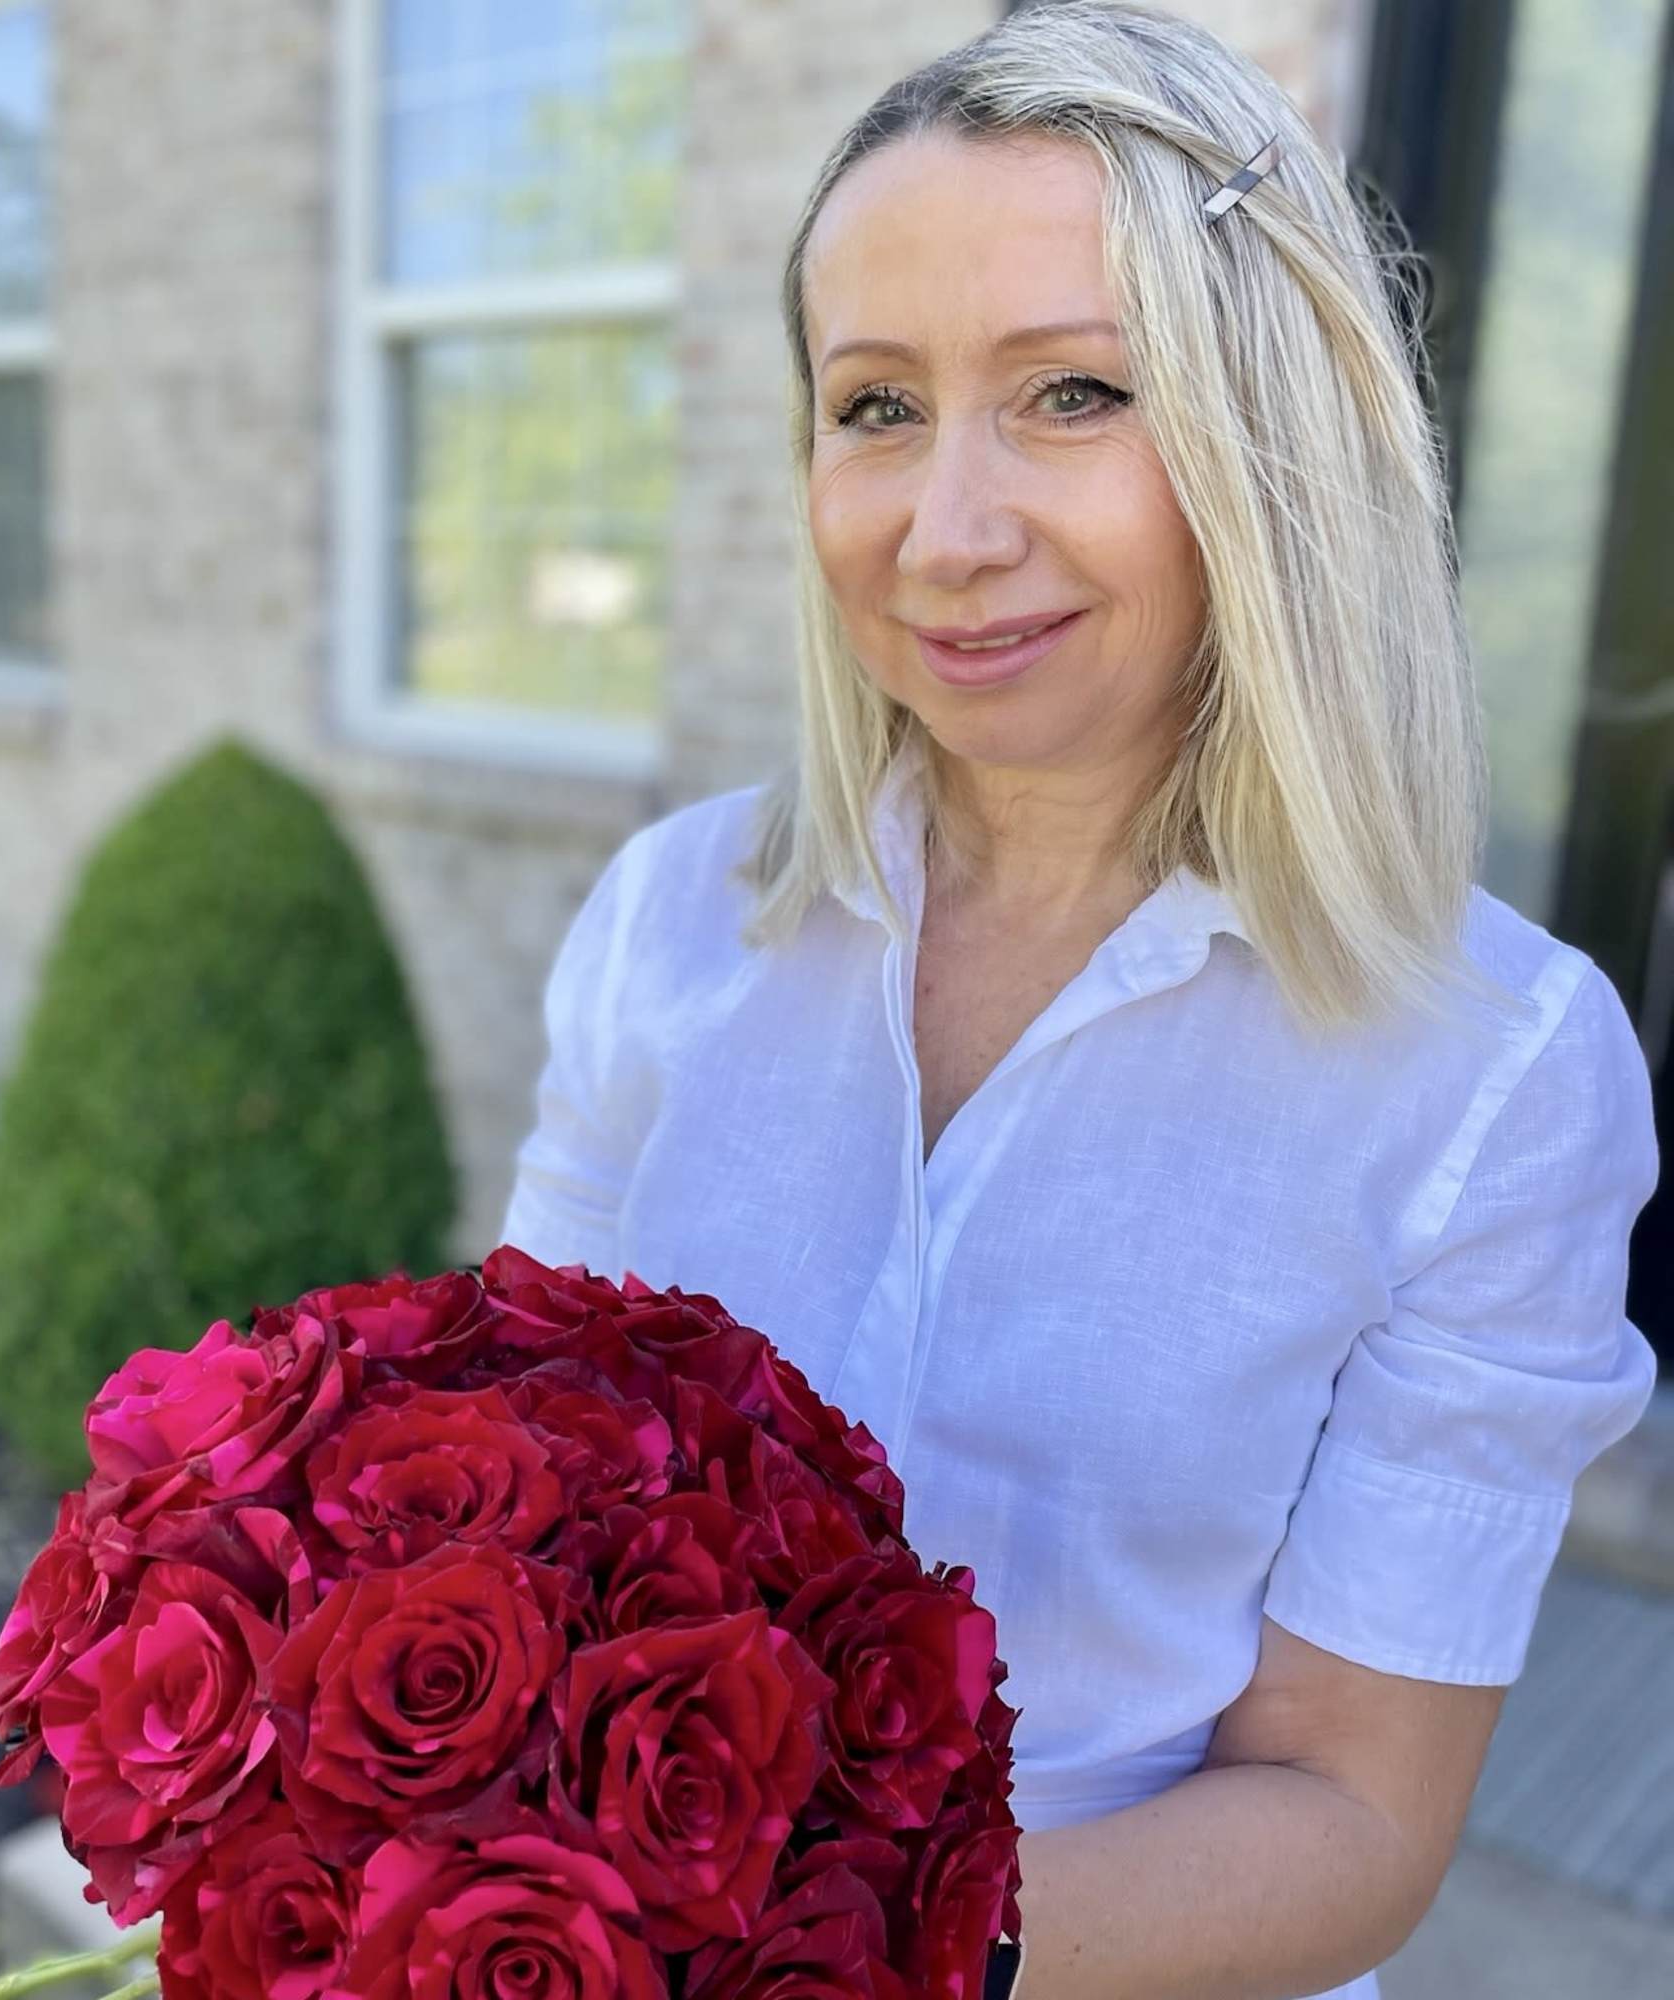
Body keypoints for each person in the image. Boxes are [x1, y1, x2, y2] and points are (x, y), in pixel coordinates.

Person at [497, 4, 1663, 1996]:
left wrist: (818, 1954)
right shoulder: (665, 925)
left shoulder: (1498, 1072)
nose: (946, 532)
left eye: (1070, 394)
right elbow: (515, 1500)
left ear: (1264, 435)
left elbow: (1351, 1811)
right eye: (874, 407)